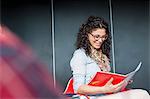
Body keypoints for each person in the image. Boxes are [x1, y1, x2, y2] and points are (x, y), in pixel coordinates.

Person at [69, 16, 150, 99]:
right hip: (92, 97)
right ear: (87, 35)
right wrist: (104, 89)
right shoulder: (80, 55)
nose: (100, 40)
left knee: (143, 94)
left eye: (103, 37)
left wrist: (122, 82)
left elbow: (105, 83)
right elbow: (78, 88)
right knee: (142, 94)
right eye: (97, 36)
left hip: (105, 95)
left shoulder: (103, 55)